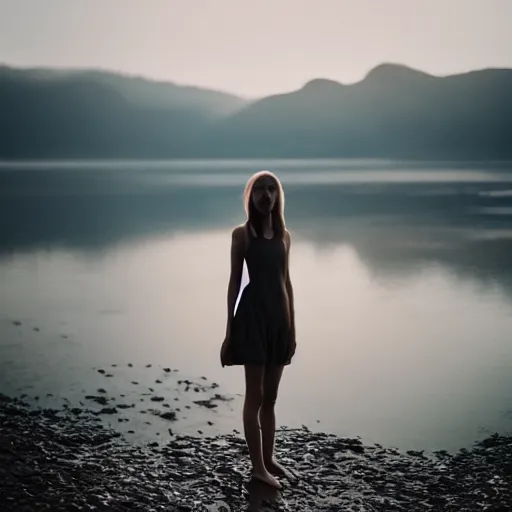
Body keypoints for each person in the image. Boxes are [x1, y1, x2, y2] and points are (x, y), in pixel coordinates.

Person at [220, 170, 296, 489]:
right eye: (260, 190)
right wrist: (229, 331)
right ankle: (257, 469)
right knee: (255, 395)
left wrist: (292, 328)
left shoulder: (284, 236)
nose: (266, 195)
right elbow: (235, 282)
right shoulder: (242, 235)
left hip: (279, 319)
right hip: (252, 319)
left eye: (272, 189)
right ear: (250, 196)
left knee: (272, 397)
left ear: (278, 196)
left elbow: (286, 282)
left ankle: (268, 459)